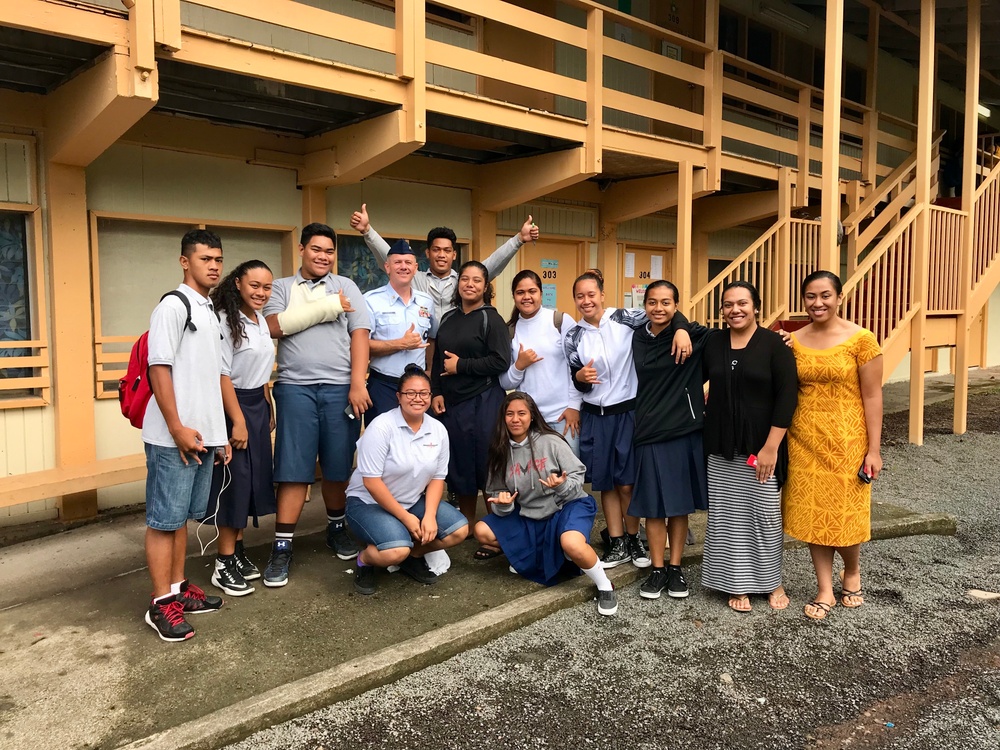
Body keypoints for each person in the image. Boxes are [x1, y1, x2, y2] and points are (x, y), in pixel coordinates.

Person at [262, 223, 371, 587]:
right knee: (293, 468)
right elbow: (274, 327)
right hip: (295, 387)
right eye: (316, 249)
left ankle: (336, 528)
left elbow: (360, 336)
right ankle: (281, 546)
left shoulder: (347, 286)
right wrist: (325, 307)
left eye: (329, 251)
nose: (323, 256)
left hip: (341, 387)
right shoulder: (280, 287)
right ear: (301, 249)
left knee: (338, 466)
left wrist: (358, 383)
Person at [564, 269, 692, 569]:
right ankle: (618, 542)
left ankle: (634, 537)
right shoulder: (573, 335)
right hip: (595, 415)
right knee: (606, 483)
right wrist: (581, 378)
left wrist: (683, 329)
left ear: (602, 295)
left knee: (627, 482)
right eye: (580, 296)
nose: (586, 301)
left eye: (591, 294)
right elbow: (576, 378)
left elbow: (664, 313)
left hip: (628, 411)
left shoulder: (626, 318)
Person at [142, 229, 230, 642]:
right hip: (172, 437)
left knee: (179, 519)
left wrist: (220, 434)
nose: (213, 266)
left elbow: (209, 379)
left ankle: (178, 590)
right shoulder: (173, 306)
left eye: (218, 259)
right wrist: (176, 427)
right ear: (184, 262)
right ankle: (160, 604)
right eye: (204, 259)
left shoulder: (209, 309)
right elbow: (158, 368)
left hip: (202, 437)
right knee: (164, 521)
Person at [783, 270, 883, 621]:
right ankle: (824, 586)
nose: (817, 302)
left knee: (845, 514)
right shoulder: (793, 340)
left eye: (825, 295)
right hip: (805, 439)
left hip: (848, 440)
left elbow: (872, 395)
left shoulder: (862, 339)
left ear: (839, 297)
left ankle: (851, 570)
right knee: (814, 514)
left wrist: (874, 449)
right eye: (810, 296)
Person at [700, 281, 798, 612]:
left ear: (756, 306)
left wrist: (771, 447)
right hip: (721, 446)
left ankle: (772, 582)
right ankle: (735, 581)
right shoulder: (713, 342)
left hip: (762, 447)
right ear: (721, 311)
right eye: (728, 305)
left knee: (765, 515)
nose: (735, 310)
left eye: (742, 303)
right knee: (727, 517)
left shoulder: (775, 344)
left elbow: (787, 397)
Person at [475, 392, 618, 616]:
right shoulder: (499, 450)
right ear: (503, 418)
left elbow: (577, 475)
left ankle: (605, 585)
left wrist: (560, 485)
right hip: (529, 512)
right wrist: (503, 504)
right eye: (510, 414)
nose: (515, 419)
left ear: (532, 416)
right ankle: (532, 556)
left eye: (521, 413)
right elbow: (496, 495)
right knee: (482, 531)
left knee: (572, 544)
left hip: (567, 504)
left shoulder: (550, 441)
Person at [346, 365, 469, 595]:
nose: (417, 398)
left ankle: (413, 555)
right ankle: (366, 560)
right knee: (395, 550)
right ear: (398, 397)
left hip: (411, 500)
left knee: (458, 531)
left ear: (430, 396)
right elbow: (371, 482)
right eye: (410, 393)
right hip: (368, 503)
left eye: (423, 393)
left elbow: (437, 478)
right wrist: (407, 518)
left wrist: (430, 517)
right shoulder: (382, 427)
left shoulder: (438, 430)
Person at [629, 281, 712, 600]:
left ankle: (676, 569)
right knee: (653, 507)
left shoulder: (694, 335)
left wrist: (682, 328)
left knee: (678, 507)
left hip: (683, 429)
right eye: (652, 302)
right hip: (649, 429)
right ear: (645, 304)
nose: (658, 308)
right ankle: (657, 568)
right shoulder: (638, 335)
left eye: (666, 302)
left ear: (677, 305)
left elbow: (730, 336)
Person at [205, 260, 277, 597]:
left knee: (252, 483)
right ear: (237, 284)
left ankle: (238, 553)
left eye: (266, 287)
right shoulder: (223, 321)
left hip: (257, 405)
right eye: (254, 286)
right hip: (232, 406)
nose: (261, 293)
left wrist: (268, 407)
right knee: (234, 485)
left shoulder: (259, 319)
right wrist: (237, 421)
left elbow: (261, 370)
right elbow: (222, 375)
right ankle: (223, 563)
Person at [429, 260, 510, 551]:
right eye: (465, 279)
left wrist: (461, 365)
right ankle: (465, 526)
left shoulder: (492, 319)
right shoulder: (449, 318)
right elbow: (437, 361)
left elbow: (501, 361)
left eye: (477, 280)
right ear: (458, 283)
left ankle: (493, 530)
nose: (470, 284)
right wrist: (436, 391)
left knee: (487, 467)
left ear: (485, 287)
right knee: (460, 465)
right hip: (453, 404)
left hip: (485, 400)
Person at [349, 203, 539, 320]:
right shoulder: (416, 279)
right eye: (436, 250)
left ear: (454, 255)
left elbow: (491, 265)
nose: (442, 255)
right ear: (427, 253)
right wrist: (367, 231)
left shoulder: (463, 282)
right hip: (423, 354)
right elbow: (392, 258)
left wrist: (518, 240)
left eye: (447, 251)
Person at [500, 270, 581, 456]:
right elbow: (505, 382)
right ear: (513, 296)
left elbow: (576, 367)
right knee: (533, 478)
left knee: (568, 477)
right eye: (520, 292)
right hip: (528, 420)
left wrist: (574, 407)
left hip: (563, 417)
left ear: (541, 294)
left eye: (532, 291)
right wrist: (519, 365)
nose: (526, 297)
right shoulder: (509, 331)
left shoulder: (560, 321)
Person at [364, 239, 437, 423]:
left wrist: (429, 371)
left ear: (415, 268)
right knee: (382, 442)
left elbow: (433, 338)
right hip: (383, 386)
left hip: (418, 388)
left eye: (408, 263)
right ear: (387, 267)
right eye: (397, 262)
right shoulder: (371, 301)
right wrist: (400, 344)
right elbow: (361, 346)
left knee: (418, 442)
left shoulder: (426, 302)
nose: (403, 267)